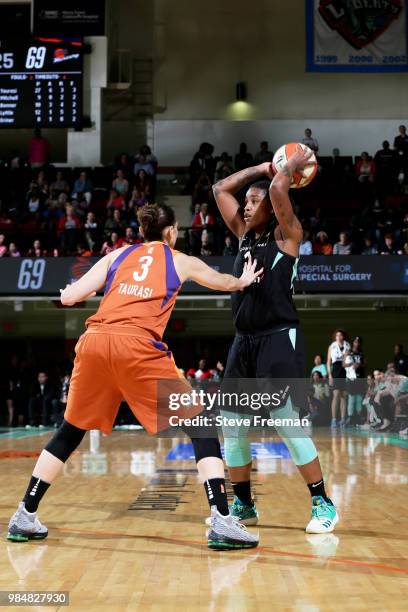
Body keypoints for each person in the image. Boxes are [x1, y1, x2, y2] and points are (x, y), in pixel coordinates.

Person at [7, 203, 262, 549]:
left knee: (71, 430)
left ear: (142, 233)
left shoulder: (117, 256)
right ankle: (221, 520)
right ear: (171, 232)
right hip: (137, 347)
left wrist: (68, 292)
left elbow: (72, 297)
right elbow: (222, 282)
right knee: (200, 425)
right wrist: (243, 280)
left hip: (94, 343)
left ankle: (25, 514)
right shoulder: (179, 259)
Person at [212, 145, 339, 533]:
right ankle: (245, 506)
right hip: (244, 341)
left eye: (255, 202)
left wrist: (289, 168)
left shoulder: (288, 235)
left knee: (285, 423)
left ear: (271, 207)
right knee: (231, 425)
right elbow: (220, 189)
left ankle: (323, 503)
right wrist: (263, 168)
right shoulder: (242, 236)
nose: (246, 207)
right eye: (246, 202)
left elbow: (280, 192)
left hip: (278, 337)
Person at [327, 329, 350, 428]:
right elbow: (328, 362)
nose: (339, 337)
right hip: (335, 370)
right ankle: (334, 419)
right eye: (337, 336)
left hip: (345, 370)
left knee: (343, 396)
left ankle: (343, 419)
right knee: (336, 395)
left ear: (343, 336)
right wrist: (330, 375)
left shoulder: (347, 345)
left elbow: (349, 360)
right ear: (335, 337)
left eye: (340, 335)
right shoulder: (332, 346)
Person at [343, 336, 366, 426]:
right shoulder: (348, 352)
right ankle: (350, 417)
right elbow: (344, 365)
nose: (357, 344)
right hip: (351, 378)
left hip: (360, 378)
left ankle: (358, 417)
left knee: (359, 398)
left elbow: (365, 365)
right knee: (351, 398)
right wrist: (352, 364)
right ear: (353, 343)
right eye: (355, 342)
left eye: (359, 342)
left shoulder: (361, 353)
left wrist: (359, 365)